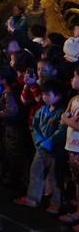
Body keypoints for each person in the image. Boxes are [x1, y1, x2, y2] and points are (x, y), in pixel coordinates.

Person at [14, 78, 66, 213]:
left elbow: (61, 131)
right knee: (35, 171)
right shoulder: (42, 110)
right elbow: (35, 126)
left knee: (55, 177)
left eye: (47, 94)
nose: (44, 97)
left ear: (58, 96)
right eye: (43, 94)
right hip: (41, 149)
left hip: (55, 151)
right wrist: (39, 141)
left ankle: (56, 203)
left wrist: (47, 143)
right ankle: (32, 198)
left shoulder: (62, 113)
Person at [0, 65, 26, 187]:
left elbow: (11, 110)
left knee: (12, 153)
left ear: (4, 79)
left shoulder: (8, 93)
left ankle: (14, 179)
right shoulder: (12, 90)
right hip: (11, 127)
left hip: (11, 127)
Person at [59, 66, 79, 225]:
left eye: (75, 76)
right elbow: (64, 116)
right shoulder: (74, 99)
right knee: (76, 180)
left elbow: (67, 119)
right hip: (72, 147)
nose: (72, 79)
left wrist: (66, 119)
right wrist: (66, 119)